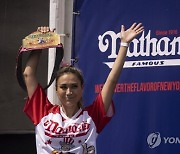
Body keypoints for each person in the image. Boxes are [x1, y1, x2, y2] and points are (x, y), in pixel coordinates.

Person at [23, 23, 144, 154]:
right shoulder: (43, 113)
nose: (69, 92)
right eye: (63, 87)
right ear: (56, 90)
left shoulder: (92, 116)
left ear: (82, 88)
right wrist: (39, 42)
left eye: (74, 86)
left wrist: (124, 44)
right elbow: (28, 74)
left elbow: (112, 80)